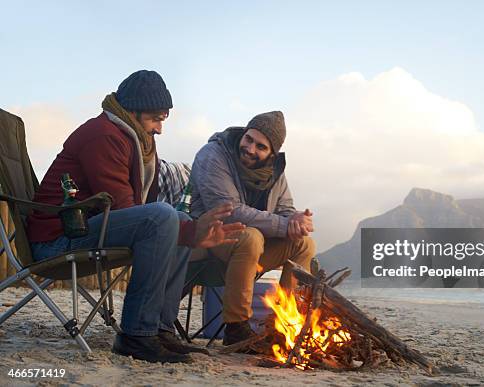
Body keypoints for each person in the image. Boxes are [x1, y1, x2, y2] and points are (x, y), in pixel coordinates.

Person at [26, 70, 243, 363]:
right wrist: (191, 234)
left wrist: (191, 231)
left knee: (178, 220)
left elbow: (141, 210)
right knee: (165, 218)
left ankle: (160, 329)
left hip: (89, 228)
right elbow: (126, 210)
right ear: (132, 111)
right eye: (156, 119)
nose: (159, 129)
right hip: (59, 239)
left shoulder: (136, 140)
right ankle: (136, 335)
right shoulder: (103, 135)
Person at [190, 111, 316, 345]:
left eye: (261, 146)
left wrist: (297, 220)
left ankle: (283, 326)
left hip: (250, 253)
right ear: (243, 133)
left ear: (271, 153)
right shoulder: (214, 155)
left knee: (305, 244)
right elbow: (229, 211)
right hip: (209, 239)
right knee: (251, 237)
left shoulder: (275, 171)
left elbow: (285, 209)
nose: (250, 148)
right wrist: (284, 224)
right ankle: (236, 329)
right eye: (248, 139)